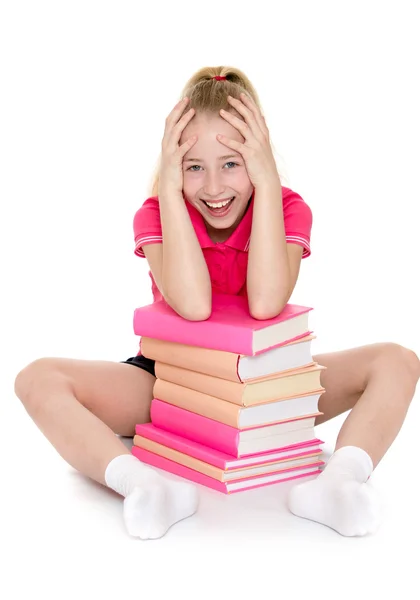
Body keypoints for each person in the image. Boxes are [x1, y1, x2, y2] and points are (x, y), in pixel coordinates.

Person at [14, 66, 420, 540]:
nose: (212, 188)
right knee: (38, 378)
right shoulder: (157, 212)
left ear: (260, 158)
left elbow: (267, 302)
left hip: (269, 387)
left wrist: (268, 185)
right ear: (173, 167)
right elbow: (192, 305)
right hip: (171, 387)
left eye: (231, 163)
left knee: (397, 360)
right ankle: (145, 486)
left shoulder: (288, 207)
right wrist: (167, 189)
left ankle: (337, 484)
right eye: (192, 167)